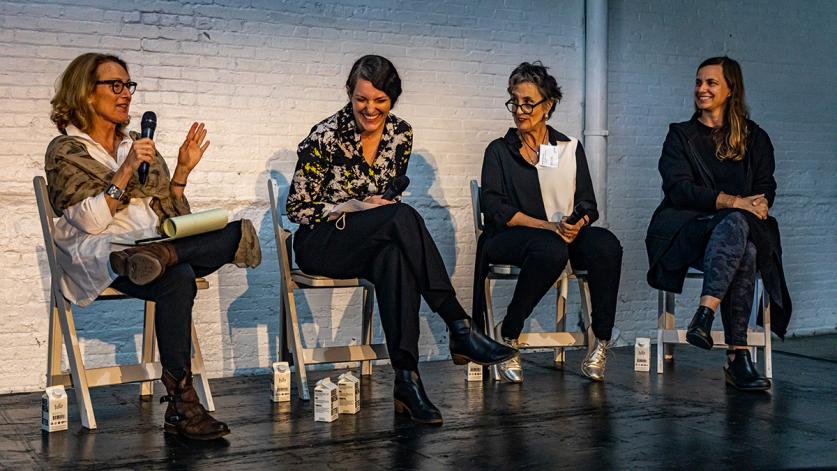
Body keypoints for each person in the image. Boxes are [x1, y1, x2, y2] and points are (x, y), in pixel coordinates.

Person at [286, 55, 515, 425]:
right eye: (362, 99)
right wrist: (353, 204)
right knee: (402, 217)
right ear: (349, 93)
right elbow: (296, 209)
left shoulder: (400, 134)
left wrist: (379, 207)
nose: (370, 109)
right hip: (322, 242)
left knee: (395, 256)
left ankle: (407, 381)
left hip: (371, 241)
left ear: (392, 99)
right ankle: (459, 324)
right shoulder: (325, 136)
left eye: (380, 100)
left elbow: (390, 196)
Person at [45, 53, 261, 439]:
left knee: (233, 231)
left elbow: (172, 218)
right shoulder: (67, 151)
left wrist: (180, 174)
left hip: (151, 247)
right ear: (85, 94)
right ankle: (182, 406)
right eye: (115, 85)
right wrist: (126, 169)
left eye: (128, 85)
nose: (125, 93)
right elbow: (92, 222)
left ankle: (160, 257)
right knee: (177, 275)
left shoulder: (141, 145)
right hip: (105, 253)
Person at [645, 56, 792, 391]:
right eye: (698, 82)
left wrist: (761, 202)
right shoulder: (680, 136)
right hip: (689, 230)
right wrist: (736, 202)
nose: (702, 89)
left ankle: (705, 315)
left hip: (734, 234)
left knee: (743, 239)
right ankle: (737, 357)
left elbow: (766, 184)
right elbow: (679, 189)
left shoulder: (755, 137)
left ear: (730, 89)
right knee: (740, 230)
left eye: (710, 83)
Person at [475, 61, 623, 383]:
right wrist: (547, 227)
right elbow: (495, 207)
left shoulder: (568, 148)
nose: (520, 110)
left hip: (560, 236)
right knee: (550, 249)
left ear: (548, 105)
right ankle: (509, 333)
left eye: (528, 103)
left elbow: (588, 203)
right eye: (515, 101)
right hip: (510, 236)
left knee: (606, 244)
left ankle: (601, 339)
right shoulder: (499, 151)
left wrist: (577, 223)